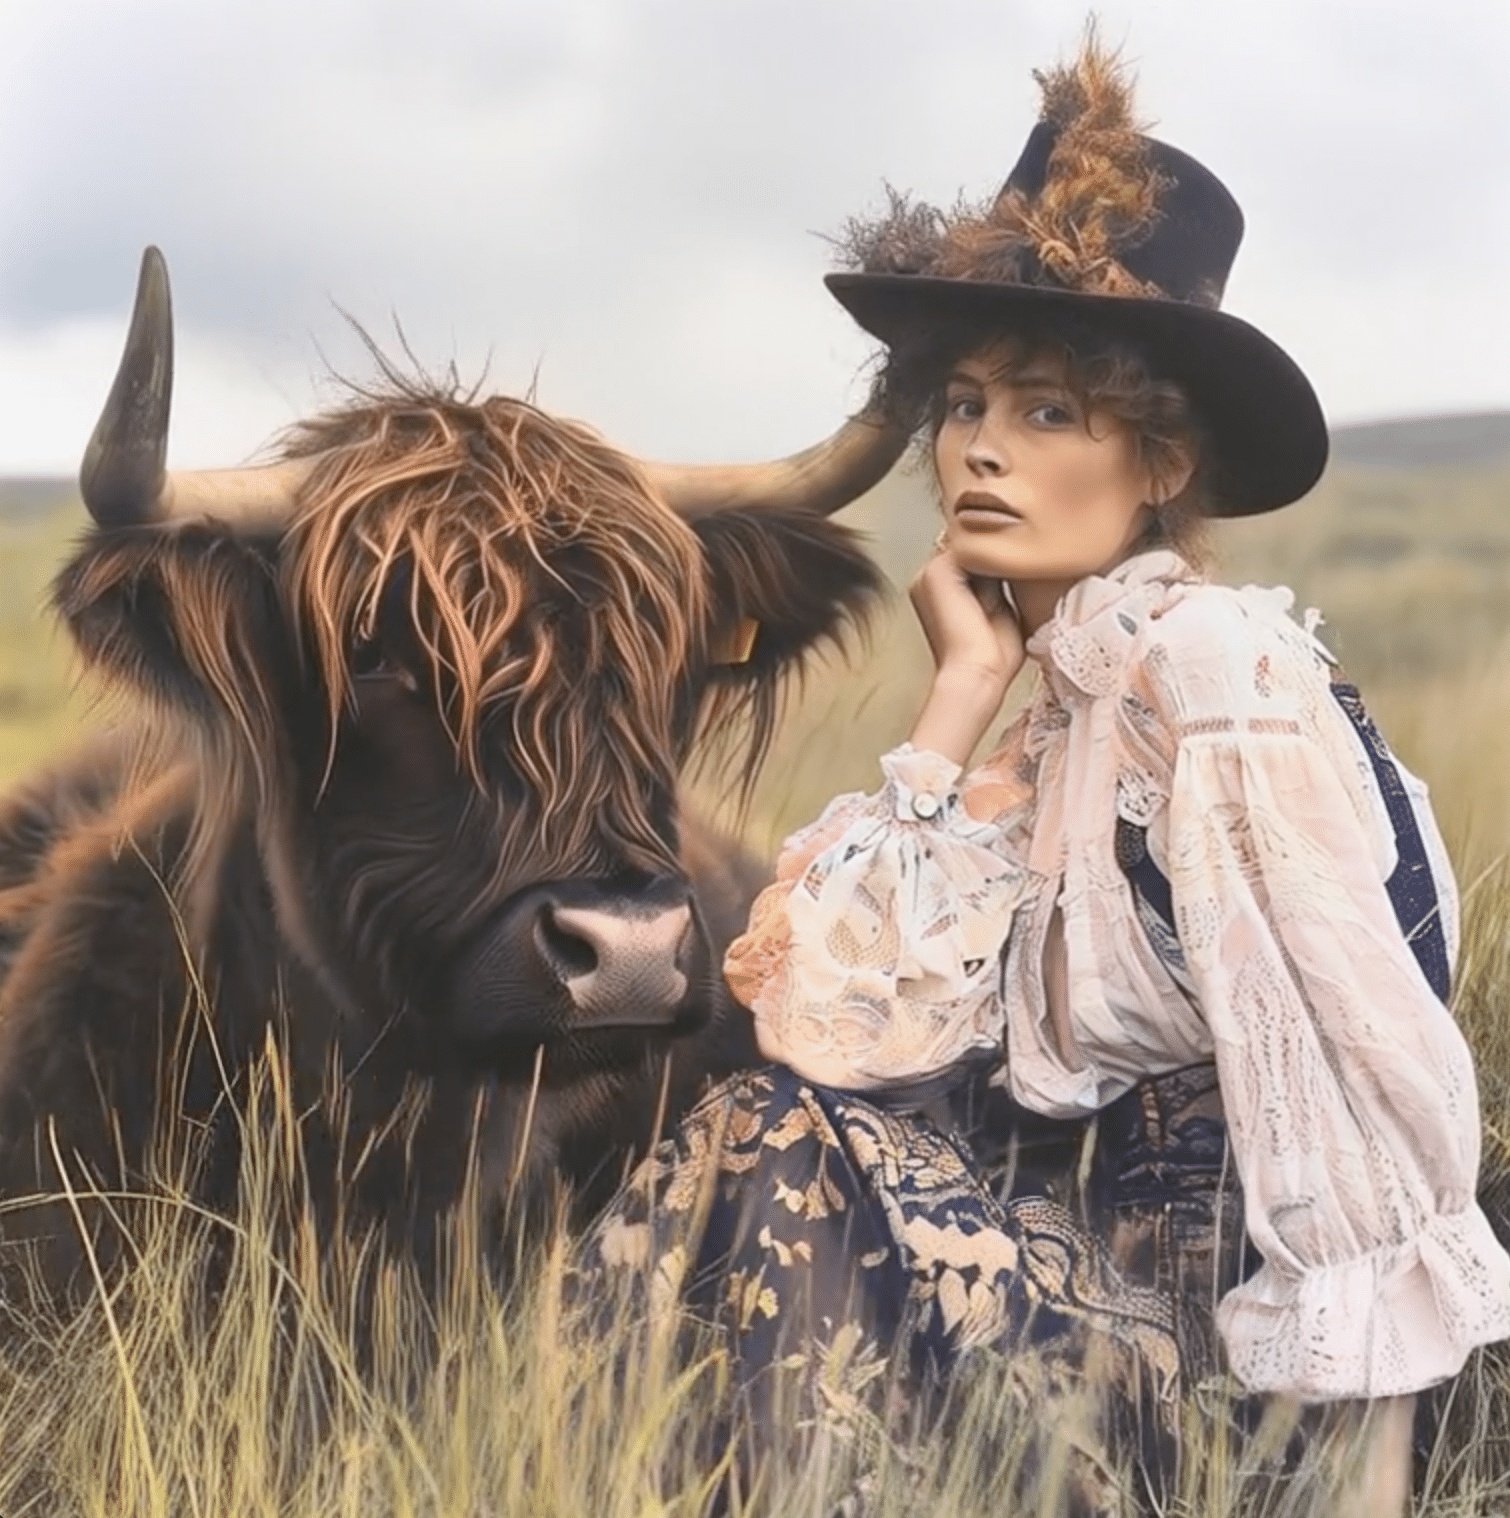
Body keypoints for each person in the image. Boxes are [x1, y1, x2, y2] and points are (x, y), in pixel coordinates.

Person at [580, 31, 1510, 1510]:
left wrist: (1349, 1483)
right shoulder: (1048, 725)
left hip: (1218, 1367)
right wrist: (958, 695)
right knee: (741, 1128)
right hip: (1059, 1301)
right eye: (964, 404)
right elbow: (826, 1041)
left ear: (1162, 465)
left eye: (1048, 411)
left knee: (764, 1145)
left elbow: (1358, 1096)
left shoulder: (1212, 667)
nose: (981, 452)